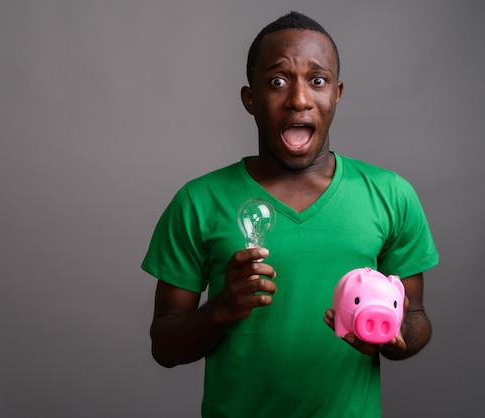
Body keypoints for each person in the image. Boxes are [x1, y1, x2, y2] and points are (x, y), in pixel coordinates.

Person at [141, 11, 438, 418]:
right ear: (250, 99)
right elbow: (165, 345)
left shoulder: (390, 195)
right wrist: (221, 309)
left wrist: (394, 336)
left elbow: (416, 317)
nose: (299, 99)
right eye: (277, 81)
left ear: (337, 93)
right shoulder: (198, 201)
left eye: (317, 81)